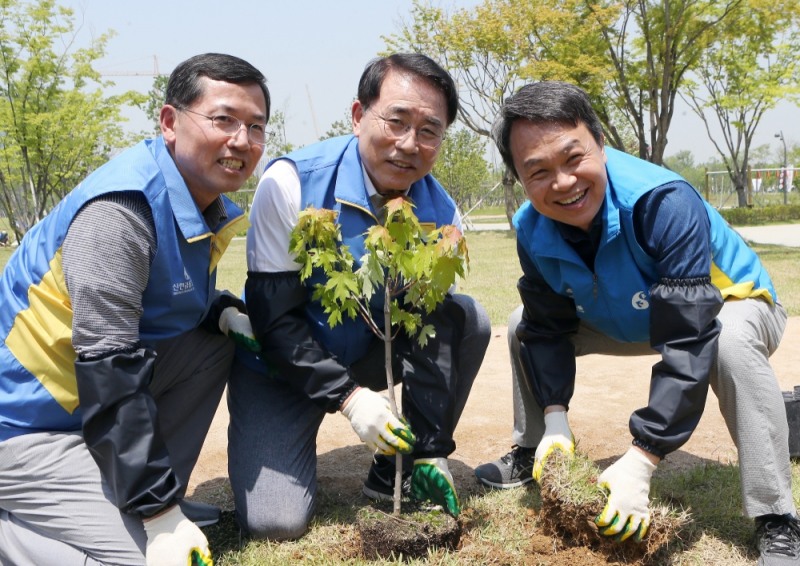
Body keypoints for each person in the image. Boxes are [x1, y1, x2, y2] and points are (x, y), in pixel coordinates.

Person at [473, 81, 799, 564]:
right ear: (520, 179)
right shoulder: (530, 227)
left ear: (601, 145)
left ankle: (776, 517)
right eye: (538, 171)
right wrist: (556, 416)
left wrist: (644, 456)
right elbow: (546, 325)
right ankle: (535, 447)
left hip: (730, 304)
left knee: (727, 340)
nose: (562, 182)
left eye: (573, 158)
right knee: (522, 321)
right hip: (628, 317)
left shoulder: (663, 202)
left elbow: (691, 334)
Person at [0, 53, 269, 565]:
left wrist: (226, 312)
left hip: (82, 404)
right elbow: (110, 368)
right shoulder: (120, 212)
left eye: (256, 127)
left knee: (214, 341)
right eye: (223, 120)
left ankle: (147, 493)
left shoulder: (196, 201)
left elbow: (172, 299)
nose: (242, 140)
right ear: (170, 122)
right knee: (141, 558)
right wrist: (157, 517)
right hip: (22, 425)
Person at [228, 52, 491, 540]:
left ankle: (399, 466)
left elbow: (424, 332)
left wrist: (431, 444)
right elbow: (273, 319)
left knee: (465, 317)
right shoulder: (291, 185)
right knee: (275, 522)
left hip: (371, 349)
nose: (410, 144)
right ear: (357, 115)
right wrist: (349, 400)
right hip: (282, 364)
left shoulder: (440, 212)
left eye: (430, 130)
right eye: (396, 121)